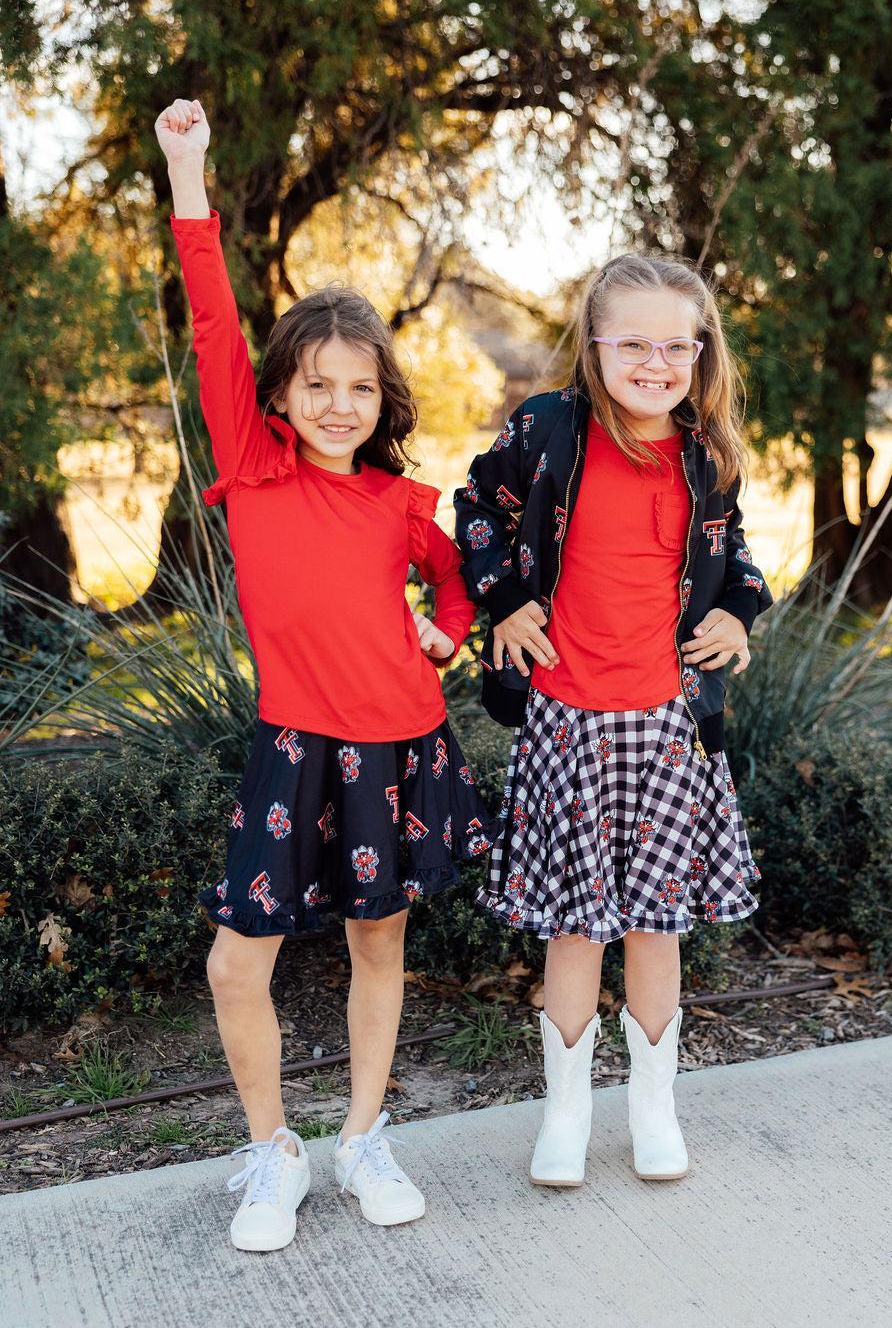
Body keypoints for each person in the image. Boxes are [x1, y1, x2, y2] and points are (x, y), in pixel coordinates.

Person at [156, 98, 493, 1249]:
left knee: (377, 941)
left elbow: (454, 579)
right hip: (292, 743)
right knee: (233, 962)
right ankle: (271, 1153)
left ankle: (359, 1135)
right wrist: (189, 167)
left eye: (359, 387)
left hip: (399, 742)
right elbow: (210, 320)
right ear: (283, 395)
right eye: (316, 384)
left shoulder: (401, 503)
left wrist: (448, 626)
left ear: (381, 398)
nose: (338, 403)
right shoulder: (253, 473)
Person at [454, 253, 773, 1188]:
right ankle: (564, 1113)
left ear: (699, 351)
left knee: (655, 927)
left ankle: (650, 1107)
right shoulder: (549, 431)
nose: (653, 361)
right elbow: (475, 507)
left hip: (668, 723)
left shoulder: (706, 453)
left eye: (675, 344)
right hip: (565, 718)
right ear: (594, 348)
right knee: (574, 928)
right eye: (631, 342)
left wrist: (734, 614)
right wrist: (505, 597)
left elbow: (736, 558)